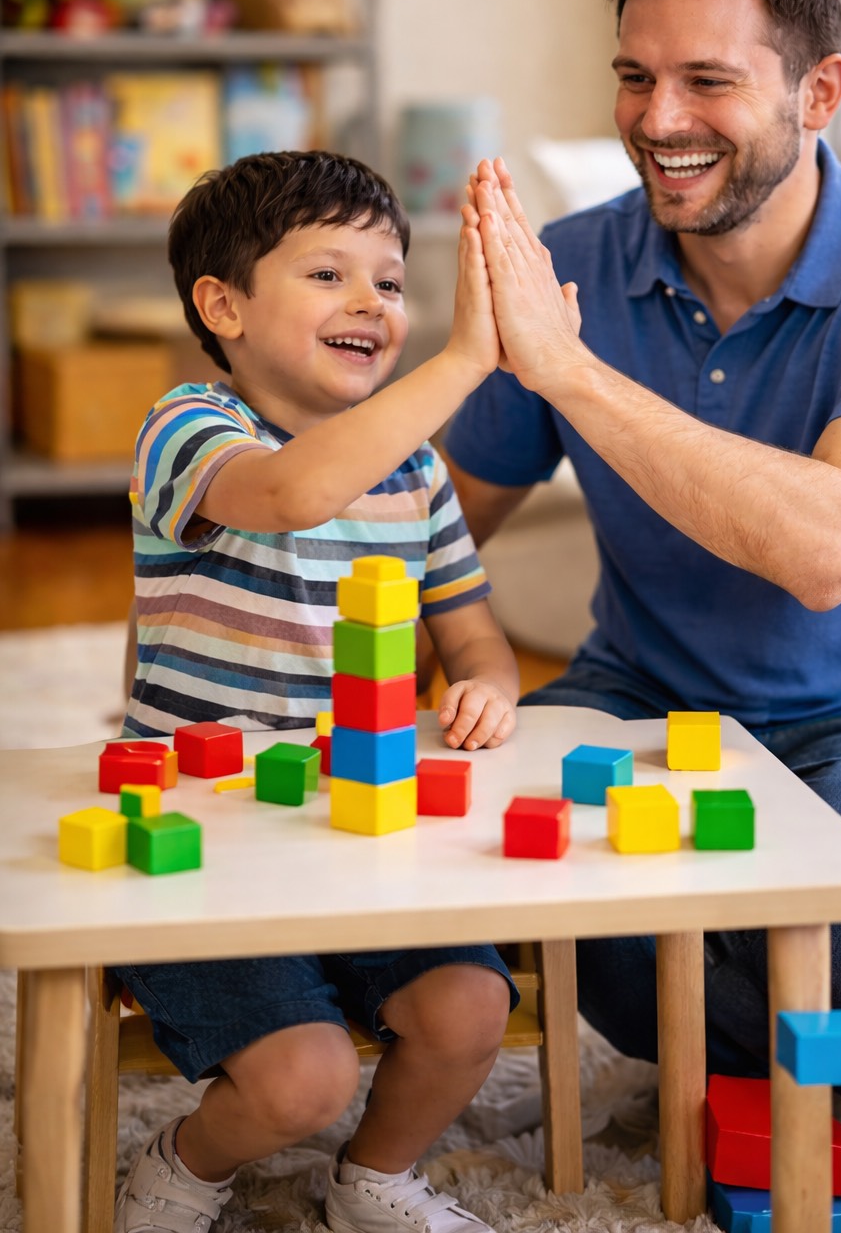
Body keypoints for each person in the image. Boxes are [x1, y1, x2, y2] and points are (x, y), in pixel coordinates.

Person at [442, 0, 841, 1173]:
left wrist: (570, 371)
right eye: (634, 76)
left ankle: (825, 1033)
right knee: (495, 868)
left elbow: (828, 547)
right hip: (636, 694)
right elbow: (434, 523)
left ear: (821, 90)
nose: (658, 118)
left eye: (707, 80)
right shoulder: (570, 262)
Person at [114, 149, 519, 1233]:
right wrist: (466, 360)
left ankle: (373, 1176)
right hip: (204, 849)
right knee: (303, 1082)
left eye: (389, 282)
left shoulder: (418, 474)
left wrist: (486, 687)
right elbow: (292, 493)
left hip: (364, 830)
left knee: (471, 1005)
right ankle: (182, 1163)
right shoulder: (191, 428)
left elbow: (477, 636)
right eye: (330, 275)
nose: (372, 305)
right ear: (224, 305)